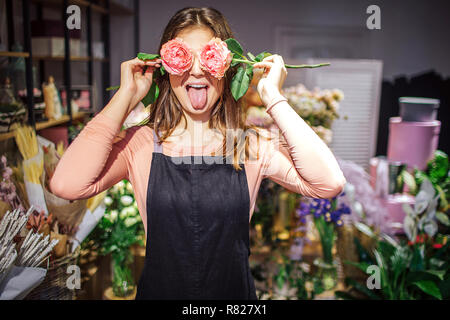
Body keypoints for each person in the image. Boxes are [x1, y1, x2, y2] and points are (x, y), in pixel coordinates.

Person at [49, 7, 346, 300]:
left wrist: (275, 97)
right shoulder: (141, 144)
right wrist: (125, 95)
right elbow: (66, 185)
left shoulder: (250, 146)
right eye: (183, 57)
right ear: (164, 67)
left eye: (208, 57)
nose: (196, 70)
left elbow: (328, 183)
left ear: (229, 67)